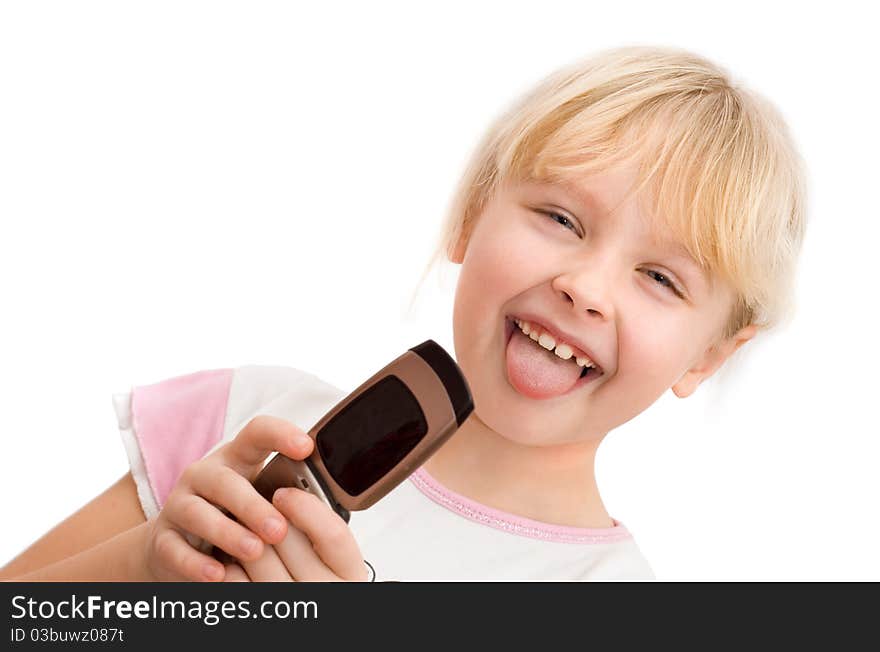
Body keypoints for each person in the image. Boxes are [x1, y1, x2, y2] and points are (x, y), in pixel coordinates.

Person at [0, 45, 808, 581]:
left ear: (708, 357)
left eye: (660, 278)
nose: (587, 288)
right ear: (469, 218)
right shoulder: (248, 425)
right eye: (561, 220)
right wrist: (147, 568)